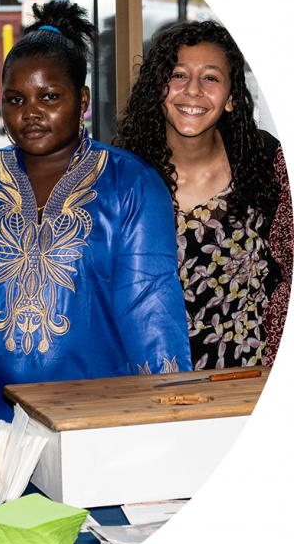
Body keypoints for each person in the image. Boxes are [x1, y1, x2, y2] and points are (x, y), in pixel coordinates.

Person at [0, 1, 193, 442]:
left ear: (81, 100)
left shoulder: (131, 185)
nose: (30, 113)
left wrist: (168, 426)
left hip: (94, 427)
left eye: (49, 97)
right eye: (14, 99)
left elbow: (150, 311)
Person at [115, 20, 289, 369]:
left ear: (231, 99)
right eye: (178, 74)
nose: (193, 89)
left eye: (211, 77)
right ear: (157, 89)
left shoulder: (266, 162)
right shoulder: (124, 179)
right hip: (150, 381)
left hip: (248, 379)